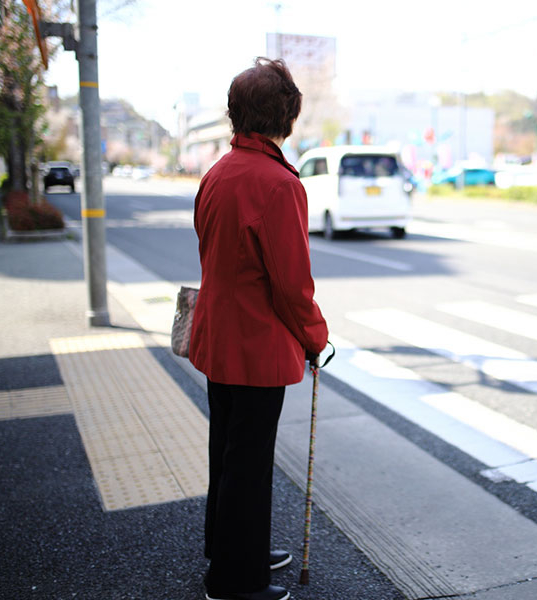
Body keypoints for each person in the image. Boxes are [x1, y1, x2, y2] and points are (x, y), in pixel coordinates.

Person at [189, 57, 328, 600]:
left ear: (235, 114)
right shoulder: (278, 184)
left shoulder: (217, 174)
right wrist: (318, 339)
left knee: (226, 452)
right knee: (248, 464)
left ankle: (229, 546)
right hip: (256, 345)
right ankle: (233, 580)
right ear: (286, 116)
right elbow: (292, 286)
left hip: (216, 336)